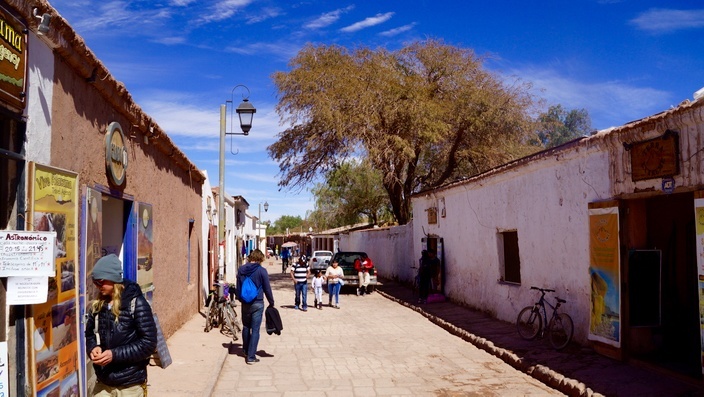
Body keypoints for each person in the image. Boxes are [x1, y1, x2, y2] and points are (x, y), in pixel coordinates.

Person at [85, 254, 157, 396]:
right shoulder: (98, 305)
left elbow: (149, 343)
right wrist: (93, 348)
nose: (97, 286)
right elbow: (89, 334)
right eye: (94, 282)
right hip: (103, 383)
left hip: (130, 385)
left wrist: (114, 354)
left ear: (113, 280)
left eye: (100, 282)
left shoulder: (137, 304)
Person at [235, 249, 275, 365]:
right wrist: (271, 302)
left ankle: (246, 351)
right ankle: (251, 357)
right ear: (260, 258)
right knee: (255, 329)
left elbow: (238, 287)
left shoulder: (241, 269)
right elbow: (267, 288)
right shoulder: (262, 271)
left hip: (245, 303)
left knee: (246, 327)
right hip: (257, 302)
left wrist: (241, 299)